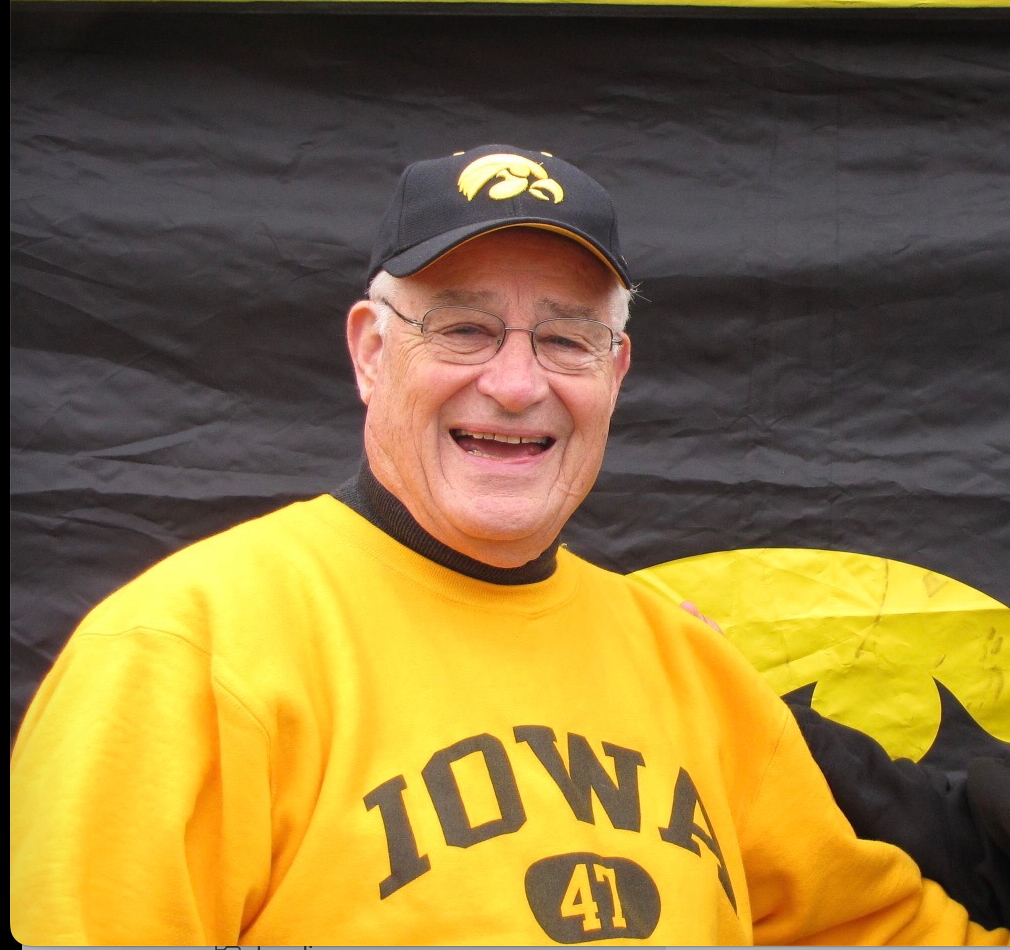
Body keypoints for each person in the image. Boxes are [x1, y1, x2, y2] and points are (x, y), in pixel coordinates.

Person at [10, 144, 1008, 945]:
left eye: (566, 338)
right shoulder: (184, 654)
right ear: (370, 351)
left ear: (615, 371)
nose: (518, 383)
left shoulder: (688, 667)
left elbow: (880, 931)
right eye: (463, 329)